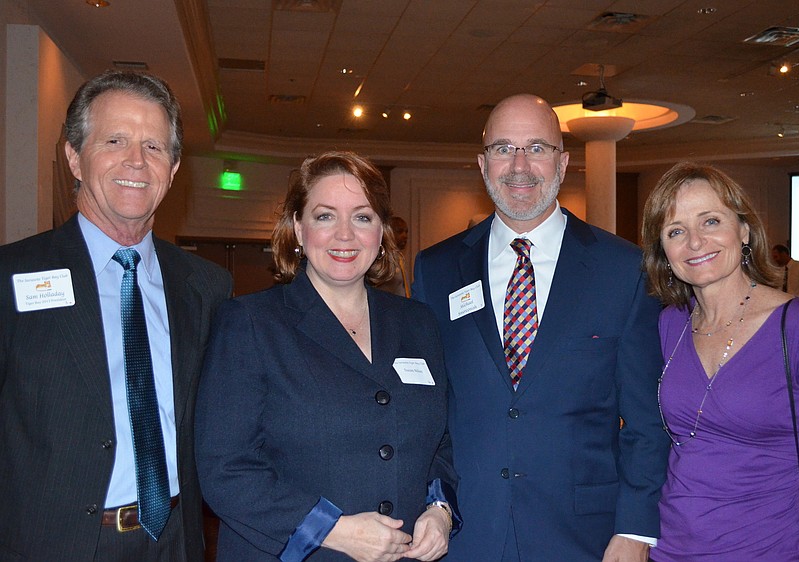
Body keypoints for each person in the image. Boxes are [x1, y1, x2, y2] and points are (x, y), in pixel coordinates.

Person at [412, 94, 668, 562]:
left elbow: (647, 421)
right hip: (465, 532)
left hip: (584, 537)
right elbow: (425, 409)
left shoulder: (623, 270)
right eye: (503, 149)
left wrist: (635, 529)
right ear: (483, 164)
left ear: (563, 163)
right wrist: (434, 501)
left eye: (536, 148)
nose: (519, 166)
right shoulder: (437, 269)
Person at [0, 70, 232, 560]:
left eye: (154, 146)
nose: (136, 161)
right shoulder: (12, 277)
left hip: (175, 540)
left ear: (173, 168)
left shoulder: (207, 287)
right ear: (74, 157)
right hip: (51, 546)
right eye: (115, 140)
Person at [195, 151, 460, 562]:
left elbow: (441, 441)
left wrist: (439, 509)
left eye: (362, 217)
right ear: (298, 229)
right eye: (325, 216)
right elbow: (224, 469)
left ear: (381, 231)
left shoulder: (418, 322)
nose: (345, 235)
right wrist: (332, 530)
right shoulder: (250, 322)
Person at [641, 162, 799, 561]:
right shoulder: (670, 324)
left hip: (771, 551)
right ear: (663, 251)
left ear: (744, 230)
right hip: (667, 551)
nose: (695, 242)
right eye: (676, 231)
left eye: (711, 221)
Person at [376, 216, 411, 297]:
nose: (405, 236)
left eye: (406, 232)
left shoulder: (399, 259)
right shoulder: (381, 260)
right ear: (388, 233)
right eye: (400, 231)